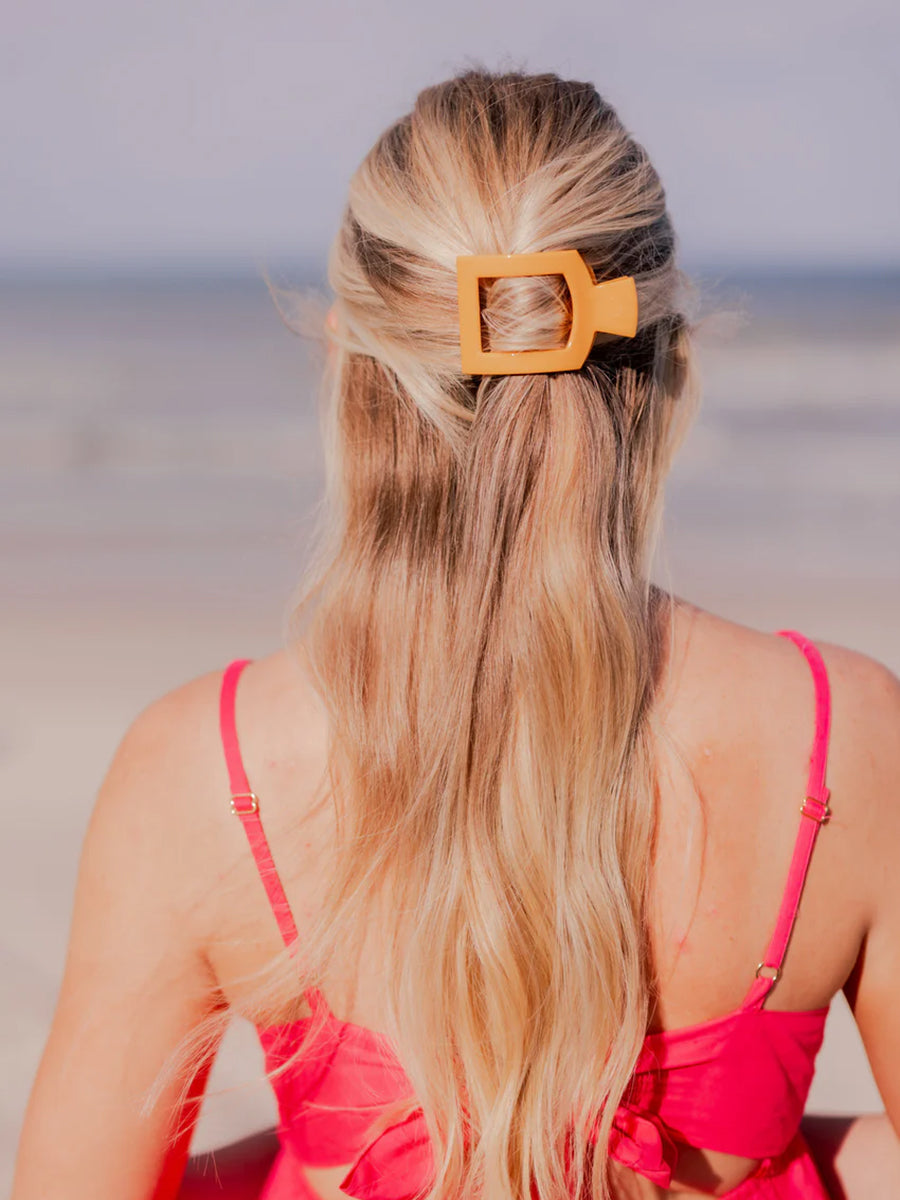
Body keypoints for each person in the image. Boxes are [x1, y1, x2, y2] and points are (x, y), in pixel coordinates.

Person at [11, 68, 900, 1200]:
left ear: (350, 370)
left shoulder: (202, 775)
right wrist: (788, 1151)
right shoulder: (851, 739)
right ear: (667, 369)